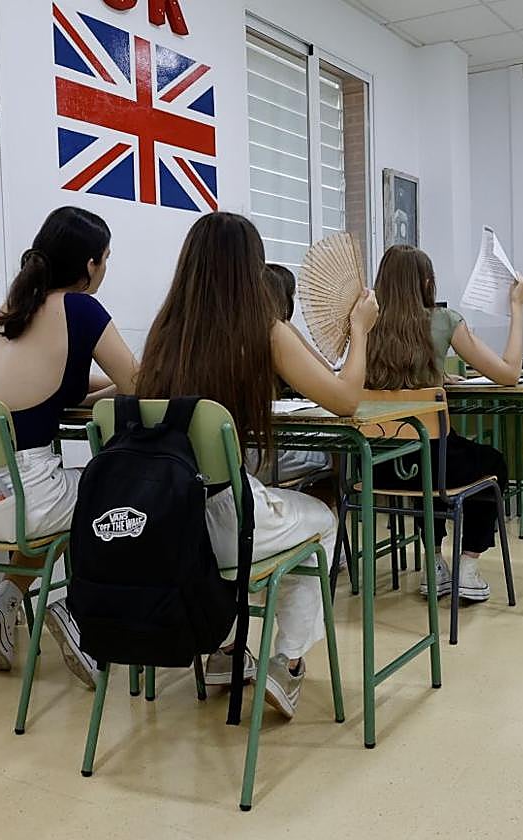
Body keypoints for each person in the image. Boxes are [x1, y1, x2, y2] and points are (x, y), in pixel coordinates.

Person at [136, 212, 378, 718]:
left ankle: (228, 650)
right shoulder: (264, 330)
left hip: (163, 520)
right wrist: (358, 329)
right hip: (227, 523)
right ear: (250, 267)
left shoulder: (163, 333)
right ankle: (285, 661)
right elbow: (346, 399)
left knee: (267, 520)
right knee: (324, 521)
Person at [0, 206, 138, 688]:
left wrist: (101, 388)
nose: (105, 270)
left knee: (55, 502)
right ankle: (72, 609)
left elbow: (64, 384)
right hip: (19, 496)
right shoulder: (80, 308)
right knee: (113, 496)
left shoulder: (12, 311)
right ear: (90, 264)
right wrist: (115, 389)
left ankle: (4, 604)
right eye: (106, 259)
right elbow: (137, 382)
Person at [367, 244, 523, 601]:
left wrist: (435, 376)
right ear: (427, 282)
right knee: (488, 463)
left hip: (376, 468)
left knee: (431, 464)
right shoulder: (443, 321)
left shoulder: (365, 326)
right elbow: (508, 374)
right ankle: (467, 565)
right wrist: (517, 308)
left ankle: (433, 563)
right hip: (434, 463)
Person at [252, 263, 332, 487]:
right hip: (262, 459)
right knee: (336, 452)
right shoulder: (276, 334)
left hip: (230, 461)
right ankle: (339, 512)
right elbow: (331, 381)